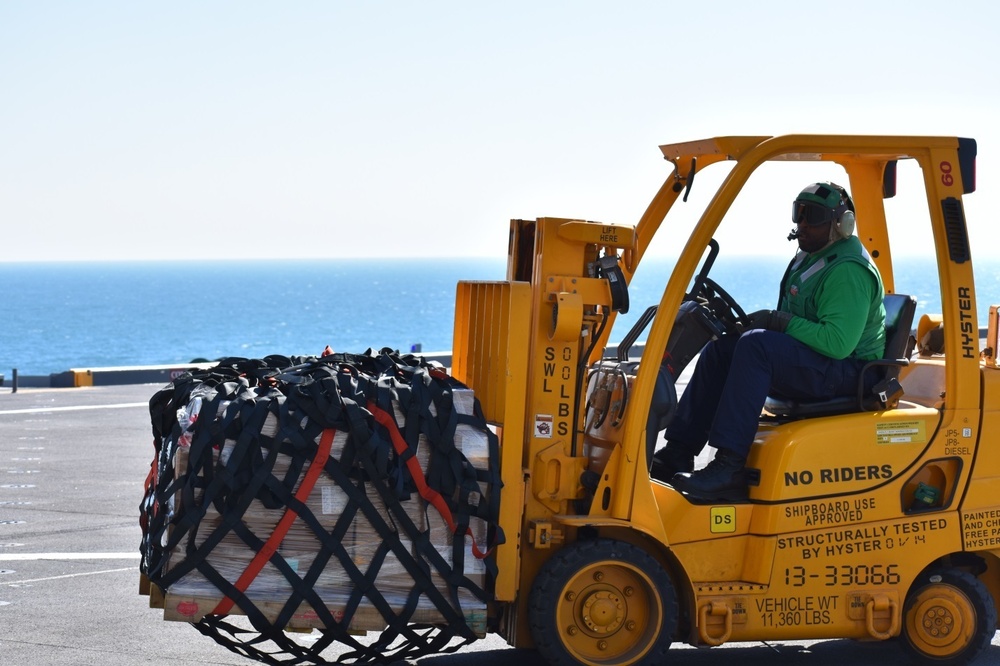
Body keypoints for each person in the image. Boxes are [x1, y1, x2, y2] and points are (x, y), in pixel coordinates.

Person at [650, 182, 886, 501]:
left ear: (841, 223)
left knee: (757, 346)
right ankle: (677, 452)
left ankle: (729, 467)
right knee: (724, 348)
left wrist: (777, 322)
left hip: (849, 372)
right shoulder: (810, 257)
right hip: (822, 364)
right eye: (798, 214)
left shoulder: (848, 271)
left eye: (811, 216)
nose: (800, 224)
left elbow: (837, 343)